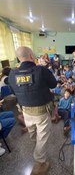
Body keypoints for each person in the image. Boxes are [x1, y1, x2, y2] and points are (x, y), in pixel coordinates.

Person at [8, 46, 57, 175]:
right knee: (42, 137)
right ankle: (40, 162)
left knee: (33, 133)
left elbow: (14, 92)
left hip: (25, 112)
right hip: (41, 112)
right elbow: (54, 84)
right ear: (31, 56)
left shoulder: (12, 74)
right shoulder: (41, 70)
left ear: (19, 58)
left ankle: (38, 150)